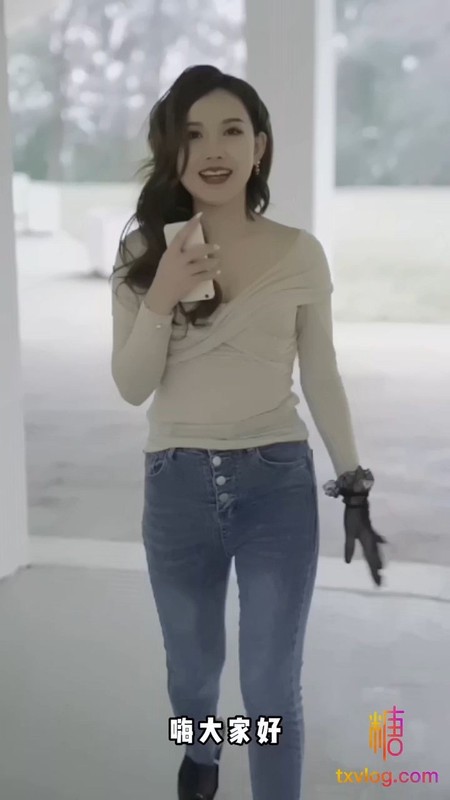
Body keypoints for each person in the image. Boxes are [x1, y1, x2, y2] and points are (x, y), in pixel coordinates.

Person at [110, 64, 386, 800]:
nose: (214, 148)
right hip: (176, 488)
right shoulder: (143, 255)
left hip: (276, 486)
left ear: (259, 146)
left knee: (269, 686)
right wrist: (164, 293)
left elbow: (321, 374)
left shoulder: (300, 252)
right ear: (172, 150)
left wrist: (354, 485)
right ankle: (203, 755)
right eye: (194, 133)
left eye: (232, 130)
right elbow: (132, 385)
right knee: (192, 678)